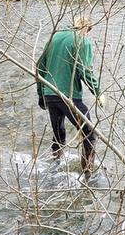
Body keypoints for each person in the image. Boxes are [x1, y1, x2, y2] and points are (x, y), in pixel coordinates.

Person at [36, 15, 103, 177]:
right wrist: (98, 92)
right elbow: (84, 70)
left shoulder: (55, 36)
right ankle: (88, 173)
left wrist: (41, 94)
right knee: (89, 132)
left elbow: (40, 66)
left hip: (50, 94)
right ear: (87, 28)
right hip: (68, 97)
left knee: (59, 133)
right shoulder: (82, 41)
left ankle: (55, 168)